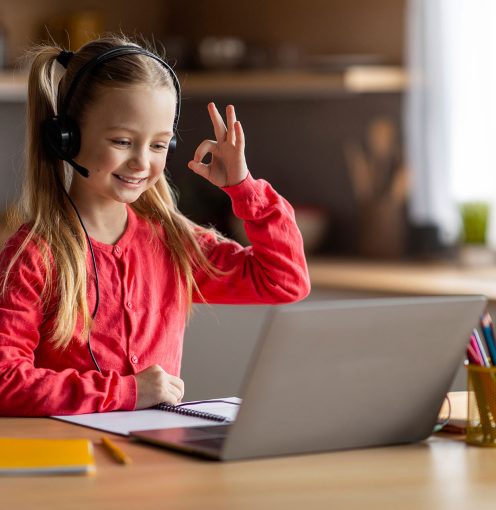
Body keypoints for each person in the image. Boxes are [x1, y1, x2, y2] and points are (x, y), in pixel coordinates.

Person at [0, 35, 310, 416]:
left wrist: (243, 188)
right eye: (123, 141)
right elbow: (5, 380)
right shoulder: (34, 256)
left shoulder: (173, 243)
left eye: (159, 145)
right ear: (66, 138)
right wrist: (128, 391)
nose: (141, 163)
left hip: (157, 462)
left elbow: (285, 281)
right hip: (75, 462)